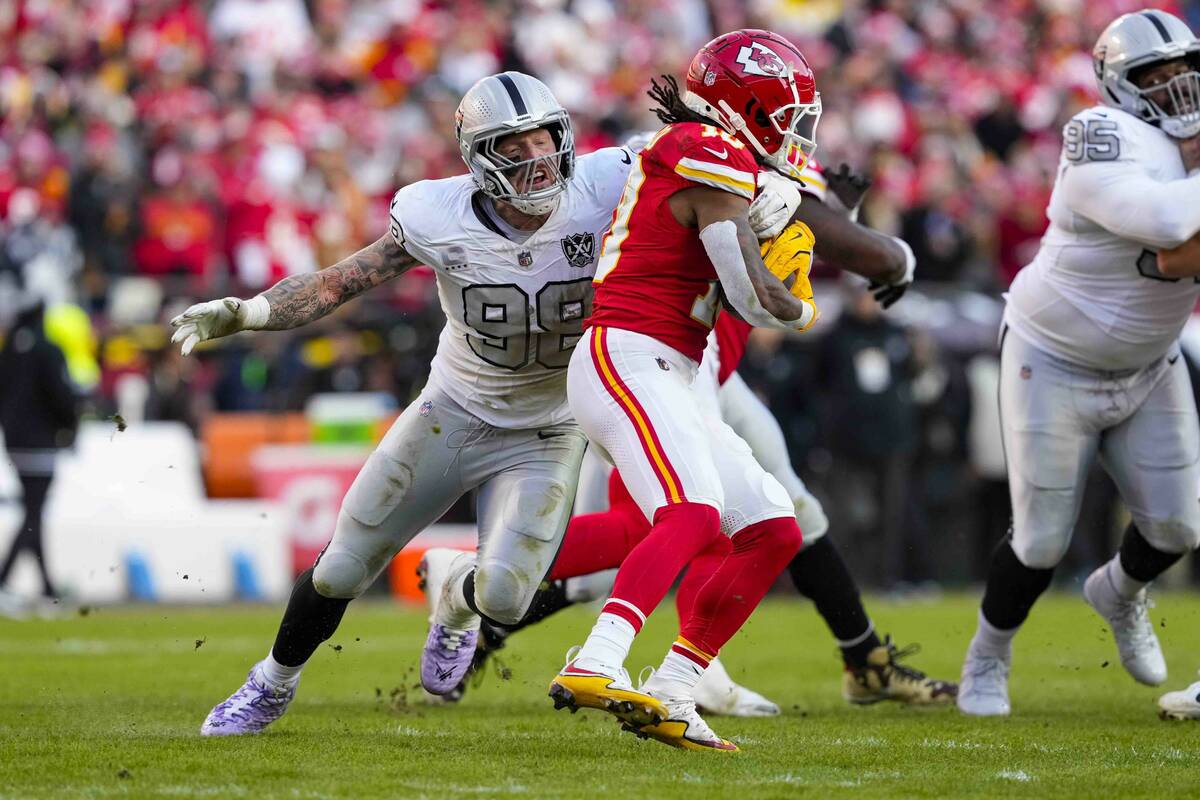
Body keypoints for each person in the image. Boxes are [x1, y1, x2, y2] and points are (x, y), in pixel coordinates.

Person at [176, 69, 794, 736]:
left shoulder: (614, 178)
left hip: (550, 427)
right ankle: (272, 681)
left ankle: (456, 599)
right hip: (454, 410)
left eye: (544, 141)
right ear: (476, 157)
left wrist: (774, 185)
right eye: (512, 147)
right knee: (344, 564)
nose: (535, 160)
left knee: (506, 594)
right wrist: (250, 310)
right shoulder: (433, 213)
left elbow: (713, 147)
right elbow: (336, 283)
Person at [432, 156, 953, 714]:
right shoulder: (715, 166)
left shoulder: (731, 175)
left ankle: (854, 658)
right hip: (663, 361)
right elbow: (796, 260)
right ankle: (481, 583)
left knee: (773, 516)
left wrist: (834, 221)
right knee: (688, 520)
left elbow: (792, 237)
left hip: (699, 364)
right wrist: (874, 260)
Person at [543, 29, 830, 753]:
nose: (794, 137)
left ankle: (675, 685)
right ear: (748, 107)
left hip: (675, 365)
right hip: (628, 354)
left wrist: (775, 197)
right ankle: (597, 659)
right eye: (785, 117)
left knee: (772, 527)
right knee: (694, 512)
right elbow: (747, 295)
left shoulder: (727, 159)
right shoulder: (708, 148)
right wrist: (796, 300)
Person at [957, 10, 1200, 717]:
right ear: (1122, 86)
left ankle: (1119, 593)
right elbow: (1167, 225)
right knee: (1039, 540)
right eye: (1157, 76)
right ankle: (987, 656)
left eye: (1187, 70)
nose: (1178, 87)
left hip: (1151, 362)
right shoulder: (1102, 134)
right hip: (1053, 355)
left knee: (1179, 529)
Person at [0, 300, 79, 604]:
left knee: (34, 513)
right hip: (41, 442)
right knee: (33, 513)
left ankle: (47, 588)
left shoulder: (9, 349)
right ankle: (5, 580)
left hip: (15, 441)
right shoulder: (47, 349)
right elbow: (61, 395)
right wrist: (70, 427)